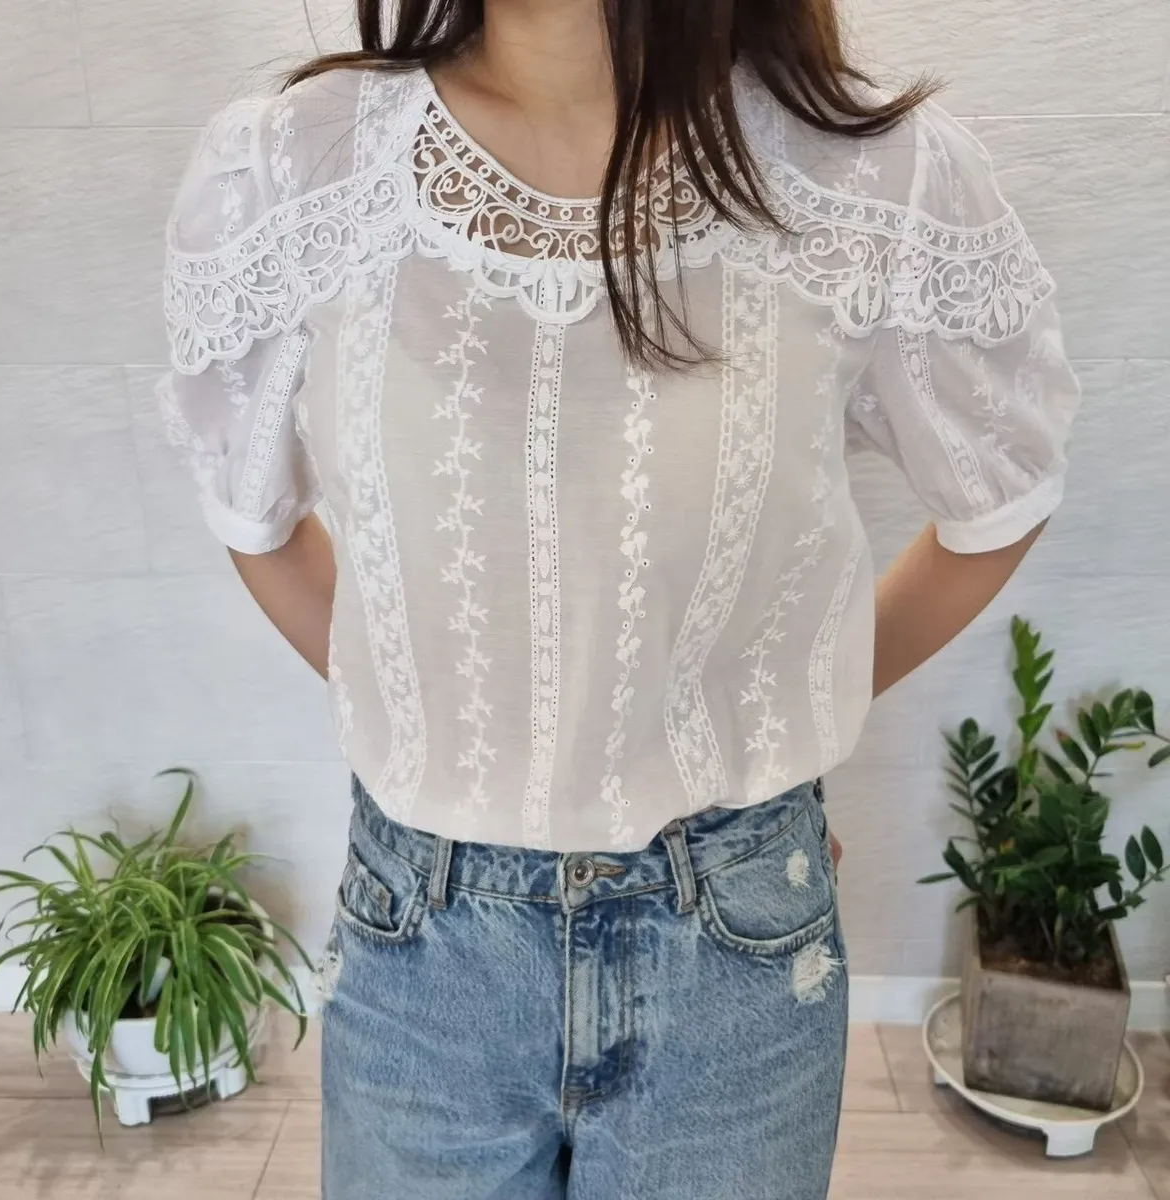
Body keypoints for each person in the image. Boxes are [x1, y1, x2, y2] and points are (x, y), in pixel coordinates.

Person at [158, 0, 1079, 1195]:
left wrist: (766, 717)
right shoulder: (297, 165)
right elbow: (258, 521)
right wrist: (435, 709)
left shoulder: (868, 176)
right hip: (421, 944)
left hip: (733, 949)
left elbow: (997, 500)